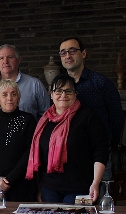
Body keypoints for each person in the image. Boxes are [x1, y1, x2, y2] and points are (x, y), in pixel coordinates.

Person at [25, 74, 110, 204]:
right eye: (58, 91)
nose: (63, 95)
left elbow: (101, 150)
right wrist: (38, 188)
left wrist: (95, 183)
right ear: (51, 94)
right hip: (49, 188)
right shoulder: (44, 121)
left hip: (80, 187)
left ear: (75, 94)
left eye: (68, 91)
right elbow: (40, 157)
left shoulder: (87, 116)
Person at [58, 37, 124, 192]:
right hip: (70, 157)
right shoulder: (58, 86)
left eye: (72, 51)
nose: (68, 55)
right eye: (63, 53)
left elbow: (117, 118)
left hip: (97, 155)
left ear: (84, 53)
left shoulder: (101, 83)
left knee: (100, 202)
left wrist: (109, 145)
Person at [0, 79, 37, 201]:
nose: (9, 98)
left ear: (18, 98)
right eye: (4, 94)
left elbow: (30, 152)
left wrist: (9, 180)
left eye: (13, 94)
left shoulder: (28, 119)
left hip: (20, 185)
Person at [0, 44, 50, 120]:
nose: (5, 61)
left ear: (18, 60)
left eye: (10, 57)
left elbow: (46, 115)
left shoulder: (35, 85)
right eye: (1, 58)